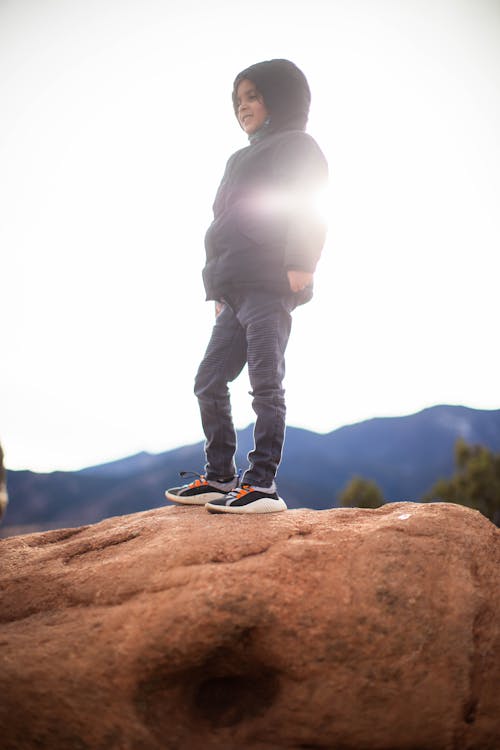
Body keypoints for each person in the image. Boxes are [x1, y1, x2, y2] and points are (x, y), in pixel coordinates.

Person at [166, 59, 328, 514]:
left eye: (253, 96)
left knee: (264, 384)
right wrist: (215, 287)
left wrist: (301, 262)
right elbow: (221, 224)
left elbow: (309, 202)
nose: (243, 106)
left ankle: (262, 484)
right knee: (209, 381)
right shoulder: (237, 159)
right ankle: (219, 477)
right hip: (233, 290)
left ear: (280, 99)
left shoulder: (298, 145)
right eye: (239, 100)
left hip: (269, 283)